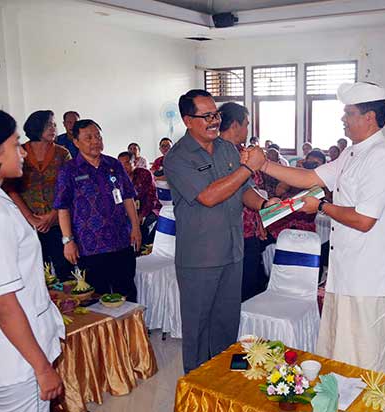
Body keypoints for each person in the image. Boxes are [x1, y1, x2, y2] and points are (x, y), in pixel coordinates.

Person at [259, 82, 385, 371]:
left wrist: (322, 207)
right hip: (346, 268)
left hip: (368, 274)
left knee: (364, 353)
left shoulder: (382, 157)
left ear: (369, 117)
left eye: (348, 113)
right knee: (338, 347)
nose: (343, 120)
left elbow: (364, 220)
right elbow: (310, 177)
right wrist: (262, 165)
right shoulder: (353, 153)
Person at [164, 90, 278, 373]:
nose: (214, 121)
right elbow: (209, 196)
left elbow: (242, 190)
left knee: (227, 325)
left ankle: (222, 385)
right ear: (188, 120)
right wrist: (247, 168)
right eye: (207, 116)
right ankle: (198, 391)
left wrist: (264, 204)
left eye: (216, 115)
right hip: (200, 259)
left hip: (232, 251)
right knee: (198, 329)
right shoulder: (178, 157)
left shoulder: (226, 149)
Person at [0, 99, 64, 411]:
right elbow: (2, 304)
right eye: (15, 144)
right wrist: (42, 367)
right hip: (16, 360)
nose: (23, 151)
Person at [54, 119, 141, 300]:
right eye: (89, 138)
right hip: (89, 246)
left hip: (121, 241)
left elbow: (127, 197)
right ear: (76, 142)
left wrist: (135, 227)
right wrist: (68, 241)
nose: (96, 141)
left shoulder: (113, 165)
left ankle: (131, 329)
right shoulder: (68, 171)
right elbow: (63, 208)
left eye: (98, 136)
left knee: (127, 293)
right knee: (97, 297)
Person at [4, 110, 73, 278]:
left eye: (55, 125)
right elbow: (9, 188)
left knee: (66, 271)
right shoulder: (20, 152)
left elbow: (69, 188)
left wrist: (52, 215)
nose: (54, 128)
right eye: (49, 124)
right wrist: (30, 217)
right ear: (36, 127)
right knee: (35, 273)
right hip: (27, 223)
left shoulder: (62, 154)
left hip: (59, 223)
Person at [219, 102, 267, 302]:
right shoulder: (219, 154)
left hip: (251, 229)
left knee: (254, 285)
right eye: (246, 124)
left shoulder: (245, 152)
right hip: (234, 234)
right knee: (243, 291)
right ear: (235, 125)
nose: (248, 129)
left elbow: (252, 190)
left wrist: (262, 217)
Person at [118, 151, 160, 246]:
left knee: (145, 224)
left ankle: (144, 248)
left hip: (148, 209)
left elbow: (151, 198)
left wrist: (141, 216)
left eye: (127, 163)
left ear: (135, 163)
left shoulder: (145, 174)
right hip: (129, 211)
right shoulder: (117, 177)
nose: (124, 167)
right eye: (120, 164)